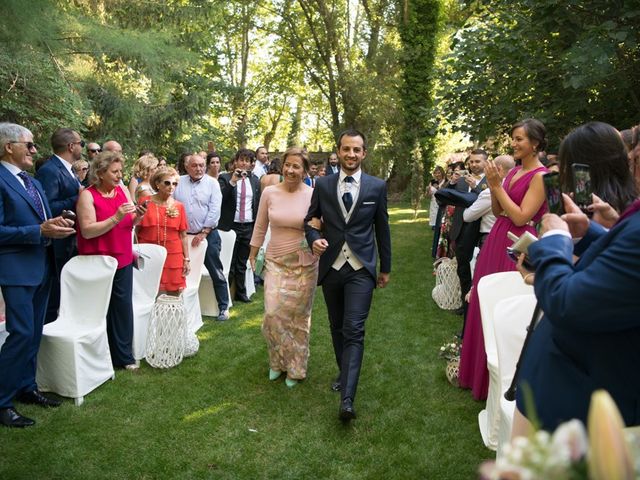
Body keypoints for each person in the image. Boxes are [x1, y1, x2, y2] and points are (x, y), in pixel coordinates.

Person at [510, 122, 640, 434]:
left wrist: (555, 239)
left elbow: (568, 302)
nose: (631, 158)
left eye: (636, 152)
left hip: (576, 405)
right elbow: (620, 264)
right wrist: (593, 232)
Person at [304, 129, 391, 422]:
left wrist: (385, 267)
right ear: (338, 152)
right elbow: (310, 220)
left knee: (354, 328)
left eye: (357, 150)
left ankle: (347, 399)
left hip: (361, 268)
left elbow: (382, 229)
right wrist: (313, 237)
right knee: (336, 326)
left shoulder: (377, 187)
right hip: (331, 266)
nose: (351, 155)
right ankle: (345, 373)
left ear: (364, 153)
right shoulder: (324, 184)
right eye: (346, 149)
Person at [458, 119, 548, 401]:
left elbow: (522, 216)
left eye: (519, 139)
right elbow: (499, 212)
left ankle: (505, 378)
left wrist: (496, 188)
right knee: (486, 302)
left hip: (520, 245)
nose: (514, 143)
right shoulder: (513, 173)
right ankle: (479, 378)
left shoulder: (541, 176)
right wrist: (498, 187)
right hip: (497, 238)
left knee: (506, 307)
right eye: (513, 138)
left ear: (535, 143)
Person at [0, 122, 76, 427]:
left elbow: (42, 219)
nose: (35, 150)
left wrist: (54, 223)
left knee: (33, 333)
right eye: (28, 144)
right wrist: (38, 230)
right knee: (20, 333)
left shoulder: (31, 181)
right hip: (16, 269)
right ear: (9, 147)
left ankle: (26, 387)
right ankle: (3, 401)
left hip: (43, 264)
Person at [249, 147, 318, 388]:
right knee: (273, 313)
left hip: (304, 264)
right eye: (287, 165)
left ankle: (296, 367)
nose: (290, 170)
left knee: (298, 319)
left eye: (296, 166)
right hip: (275, 262)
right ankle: (277, 361)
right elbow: (260, 225)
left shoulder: (313, 194)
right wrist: (253, 252)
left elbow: (320, 226)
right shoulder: (269, 192)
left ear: (305, 170)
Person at [76, 151, 146, 370]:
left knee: (123, 307)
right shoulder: (87, 195)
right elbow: (87, 231)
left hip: (122, 257)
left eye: (120, 171)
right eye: (114, 172)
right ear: (100, 173)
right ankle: (99, 358)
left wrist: (139, 216)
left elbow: (129, 221)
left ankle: (124, 357)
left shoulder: (123, 190)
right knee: (100, 309)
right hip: (98, 260)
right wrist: (115, 217)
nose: (119, 176)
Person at [36, 128, 85, 324]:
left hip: (68, 240)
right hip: (56, 245)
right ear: (71, 146)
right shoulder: (49, 170)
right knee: (53, 298)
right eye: (80, 143)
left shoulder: (68, 169)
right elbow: (46, 207)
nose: (82, 146)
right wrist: (78, 197)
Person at [174, 154, 228, 320]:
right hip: (183, 237)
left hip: (208, 235)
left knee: (215, 270)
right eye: (194, 166)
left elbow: (215, 209)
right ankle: (181, 310)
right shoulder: (178, 182)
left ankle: (223, 307)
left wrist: (204, 232)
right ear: (187, 167)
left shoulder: (212, 183)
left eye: (201, 165)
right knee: (181, 272)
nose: (198, 169)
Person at [136, 167, 189, 293]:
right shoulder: (145, 202)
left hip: (173, 255)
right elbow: (136, 230)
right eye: (167, 183)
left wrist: (186, 259)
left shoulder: (179, 206)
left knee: (174, 291)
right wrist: (135, 253)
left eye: (174, 184)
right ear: (157, 184)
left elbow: (183, 235)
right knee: (148, 290)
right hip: (148, 253)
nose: (171, 187)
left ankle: (171, 313)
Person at [218, 148, 261, 303]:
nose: (244, 163)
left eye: (247, 161)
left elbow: (257, 204)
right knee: (229, 262)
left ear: (251, 164)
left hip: (248, 225)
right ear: (235, 161)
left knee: (242, 262)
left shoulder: (255, 181)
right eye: (241, 159)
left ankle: (241, 294)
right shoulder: (224, 178)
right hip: (230, 226)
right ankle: (226, 294)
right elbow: (220, 198)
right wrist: (232, 182)